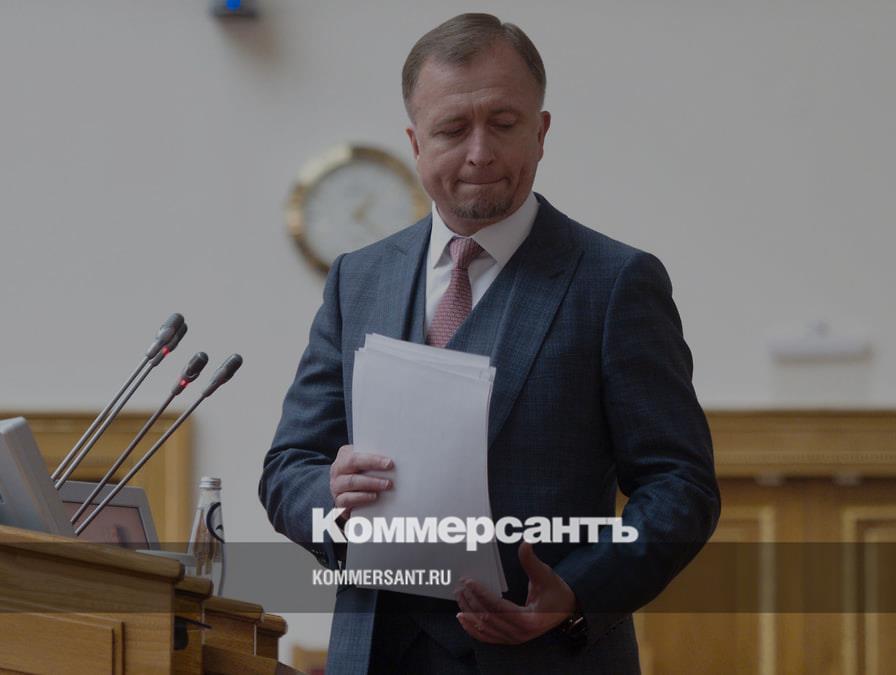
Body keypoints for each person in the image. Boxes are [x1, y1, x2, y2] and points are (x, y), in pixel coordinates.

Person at [259, 13, 720, 674]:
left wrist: (577, 591)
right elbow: (289, 465)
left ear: (541, 131)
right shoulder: (357, 279)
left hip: (547, 657)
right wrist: (331, 499)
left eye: (503, 123)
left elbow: (681, 487)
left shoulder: (615, 282)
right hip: (374, 653)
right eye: (453, 129)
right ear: (416, 142)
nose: (480, 152)